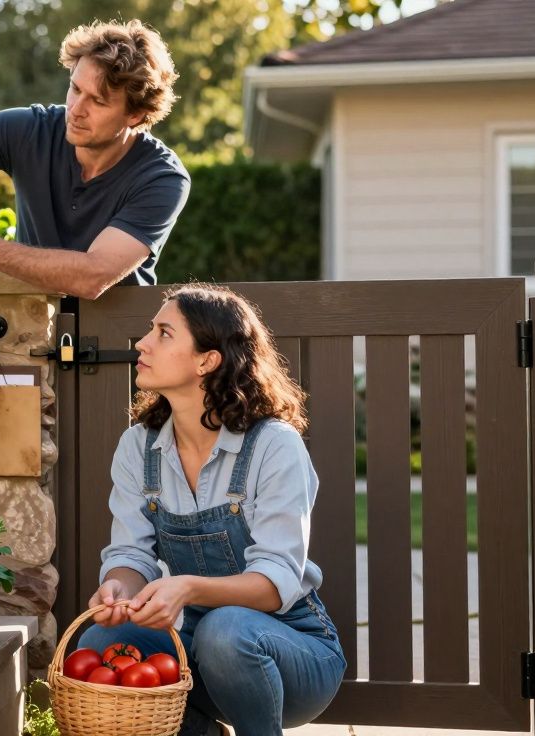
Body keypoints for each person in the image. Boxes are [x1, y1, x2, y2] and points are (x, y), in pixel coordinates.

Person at [78, 284, 345, 736]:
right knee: (102, 639)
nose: (142, 343)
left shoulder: (273, 444)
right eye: (150, 330)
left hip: (293, 655)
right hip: (197, 653)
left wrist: (185, 588)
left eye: (163, 333)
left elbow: (277, 581)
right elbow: (131, 554)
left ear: (207, 360)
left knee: (226, 630)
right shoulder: (138, 446)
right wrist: (117, 590)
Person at [0, 19, 190, 300]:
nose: (77, 108)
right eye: (75, 88)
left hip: (115, 346)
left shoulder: (161, 177)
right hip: (29, 329)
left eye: (98, 101)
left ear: (135, 115)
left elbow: (94, 276)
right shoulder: (29, 129)